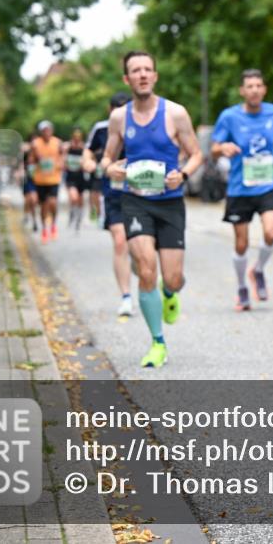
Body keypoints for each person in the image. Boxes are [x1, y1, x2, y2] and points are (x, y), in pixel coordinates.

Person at [101, 51, 203, 368]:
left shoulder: (176, 113)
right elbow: (106, 158)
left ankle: (169, 292)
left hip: (170, 203)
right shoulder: (120, 118)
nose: (143, 74)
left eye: (148, 69)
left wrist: (183, 174)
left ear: (155, 76)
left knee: (172, 278)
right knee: (146, 268)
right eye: (136, 70)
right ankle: (158, 342)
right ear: (127, 79)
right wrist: (110, 169)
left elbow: (197, 154)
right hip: (135, 201)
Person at [211, 69, 273, 311]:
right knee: (241, 244)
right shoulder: (229, 117)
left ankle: (257, 270)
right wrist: (222, 148)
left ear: (264, 89)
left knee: (270, 233)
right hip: (240, 188)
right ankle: (241, 288)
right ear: (242, 91)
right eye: (250, 86)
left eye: (258, 85)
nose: (254, 89)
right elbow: (213, 148)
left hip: (268, 185)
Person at [84, 92, 134, 317]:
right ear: (110, 110)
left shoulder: (142, 124)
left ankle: (144, 274)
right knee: (121, 242)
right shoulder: (101, 129)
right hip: (113, 195)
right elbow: (88, 150)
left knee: (141, 250)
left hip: (141, 194)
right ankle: (126, 297)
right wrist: (87, 161)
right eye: (118, 110)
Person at [30, 120, 63, 244]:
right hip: (40, 180)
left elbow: (62, 156)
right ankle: (44, 229)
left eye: (48, 130)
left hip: (54, 178)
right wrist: (36, 159)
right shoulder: (35, 144)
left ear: (52, 131)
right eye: (44, 130)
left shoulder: (57, 143)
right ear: (41, 132)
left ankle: (53, 225)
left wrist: (60, 163)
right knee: (43, 206)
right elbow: (31, 160)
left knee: (53, 202)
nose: (46, 132)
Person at [63, 128, 89, 232]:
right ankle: (72, 213)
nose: (77, 139)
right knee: (73, 197)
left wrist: (84, 164)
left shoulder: (84, 148)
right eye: (75, 137)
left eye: (79, 137)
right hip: (70, 176)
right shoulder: (68, 147)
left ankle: (79, 218)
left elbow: (88, 159)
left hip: (80, 177)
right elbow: (63, 159)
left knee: (80, 199)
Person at [21, 137, 39, 232]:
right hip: (27, 181)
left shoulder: (39, 157)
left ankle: (34, 221)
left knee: (33, 201)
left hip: (36, 183)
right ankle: (26, 215)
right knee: (28, 201)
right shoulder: (25, 155)